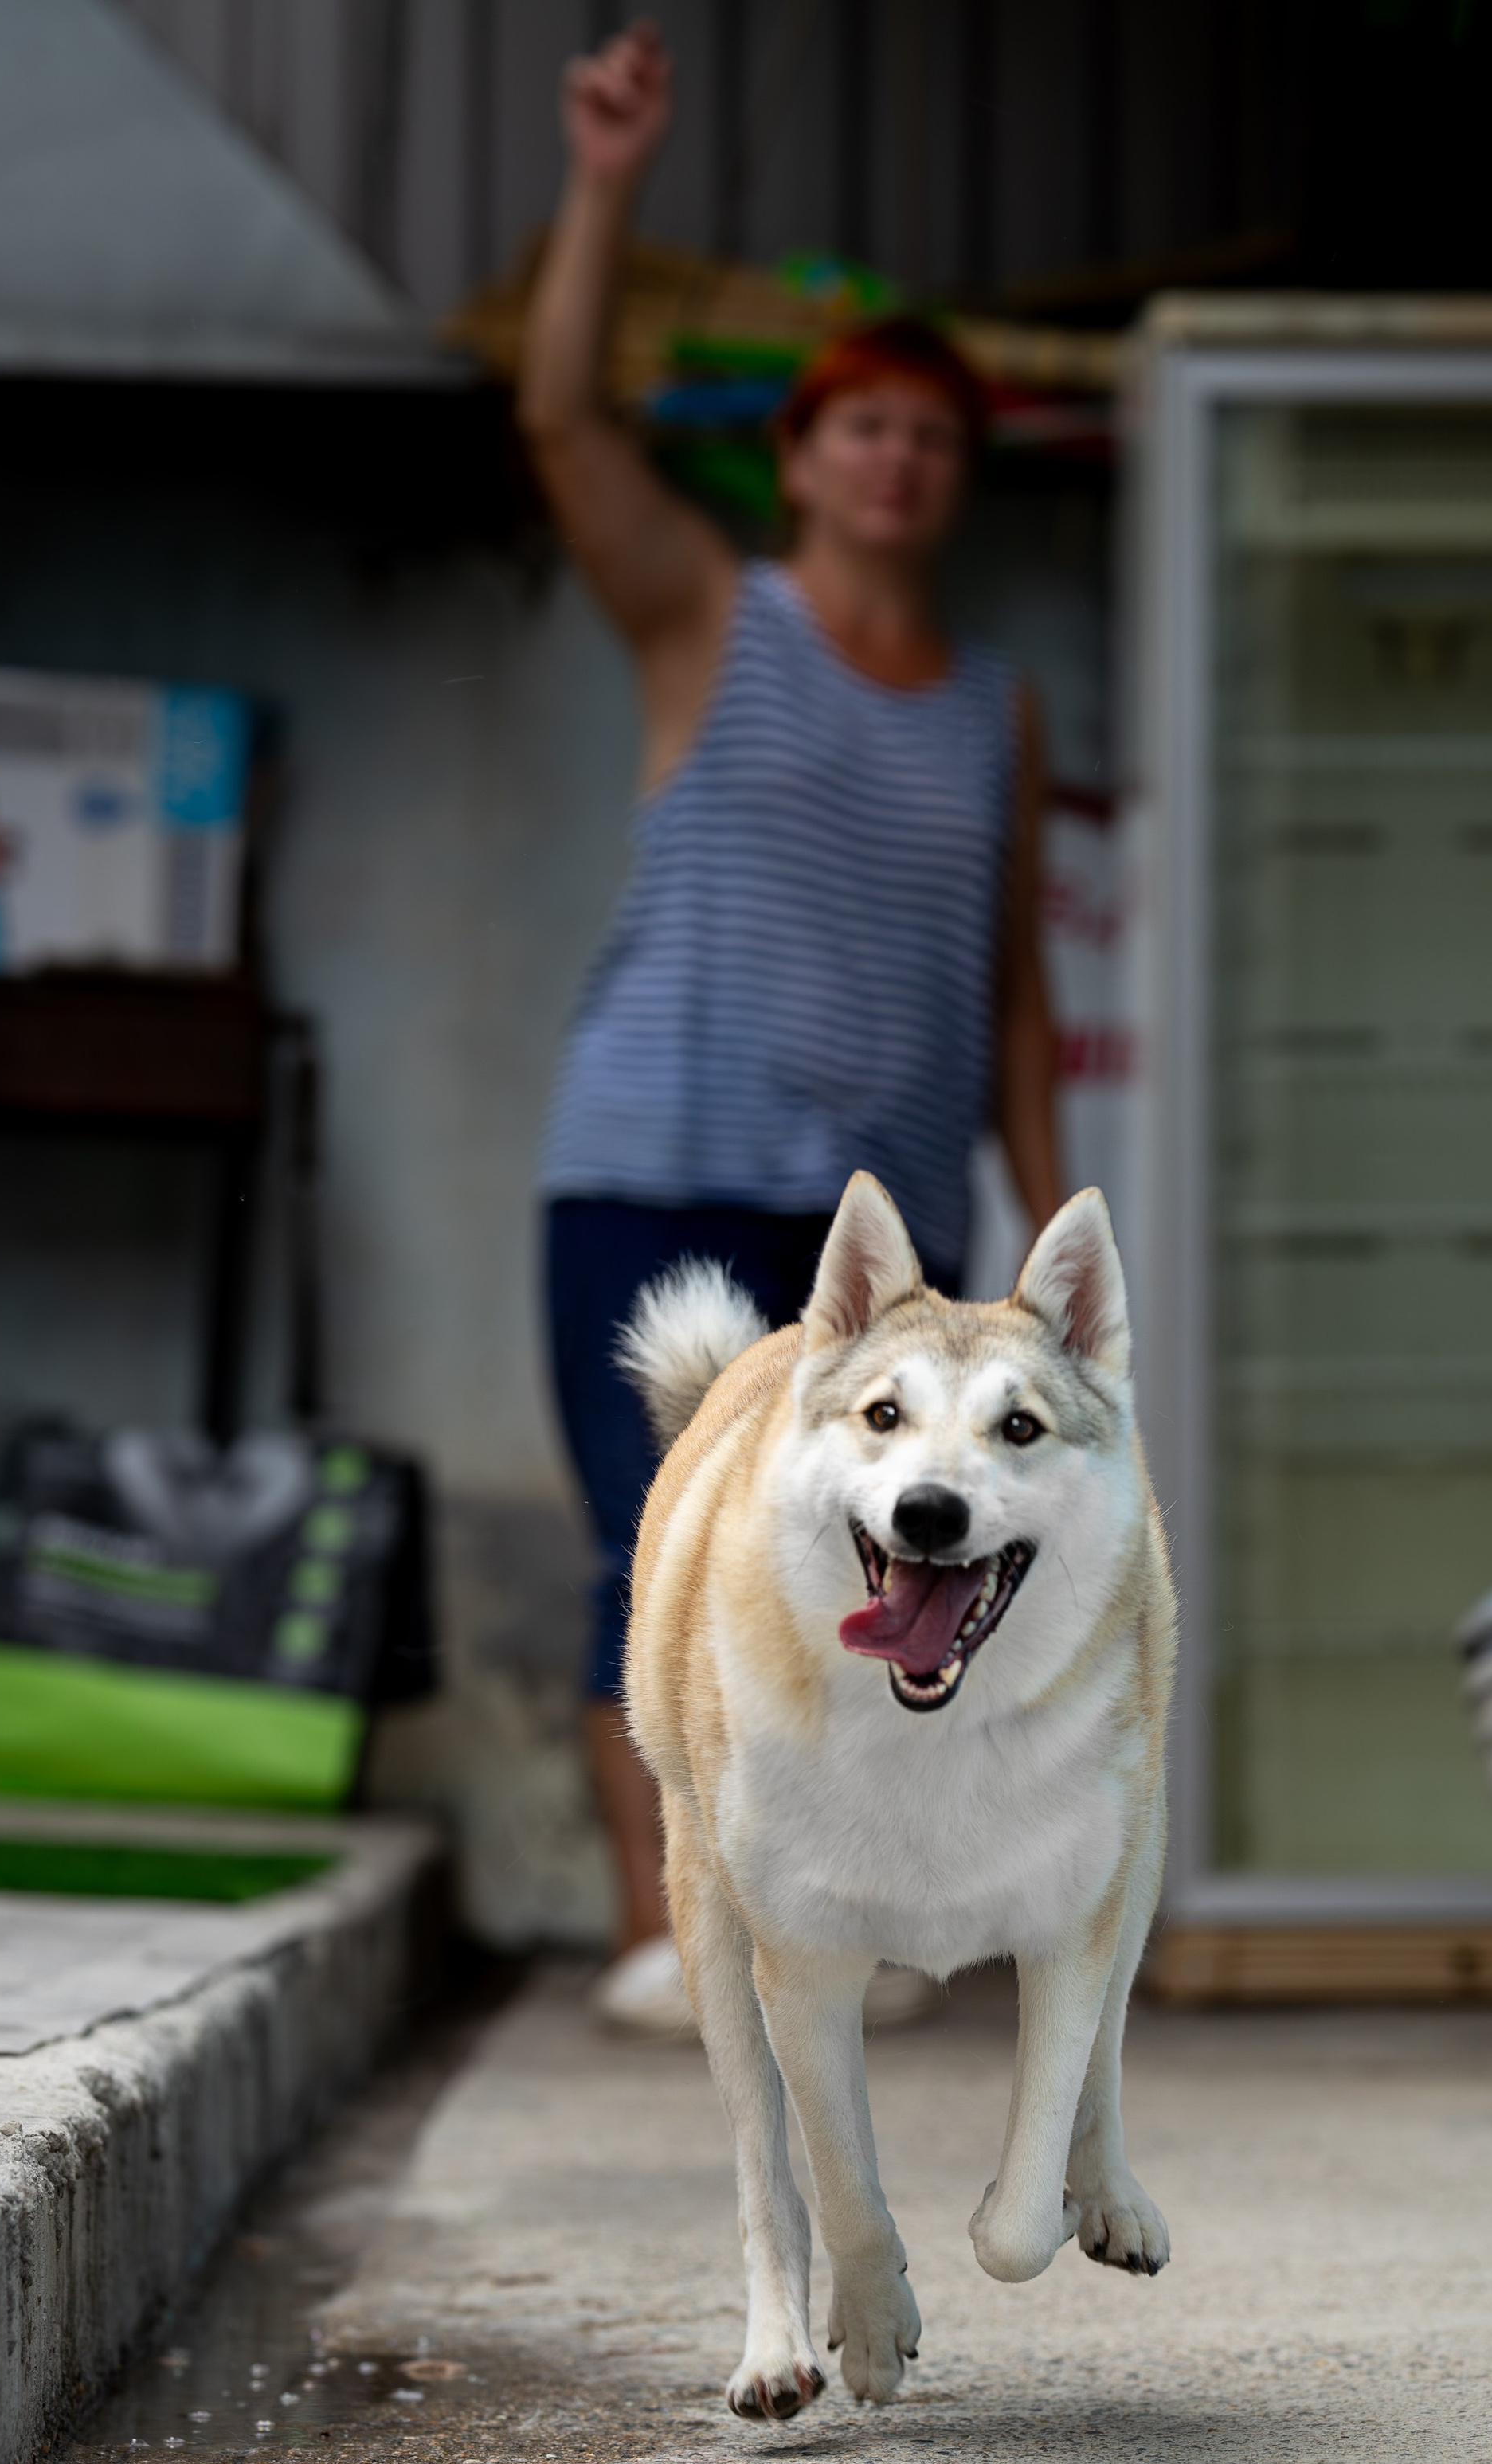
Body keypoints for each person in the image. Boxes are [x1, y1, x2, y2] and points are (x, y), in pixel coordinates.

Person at [520, 20, 1065, 2033]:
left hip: (883, 1234)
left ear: (953, 478)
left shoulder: (996, 705)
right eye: (862, 429)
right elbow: (568, 425)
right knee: (661, 1557)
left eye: (930, 435)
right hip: (655, 1162)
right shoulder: (706, 616)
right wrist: (605, 179)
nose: (895, 460)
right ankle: (668, 1936)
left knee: (887, 1584)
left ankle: (832, 1930)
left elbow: (1014, 986)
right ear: (802, 459)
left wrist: (1034, 1236)